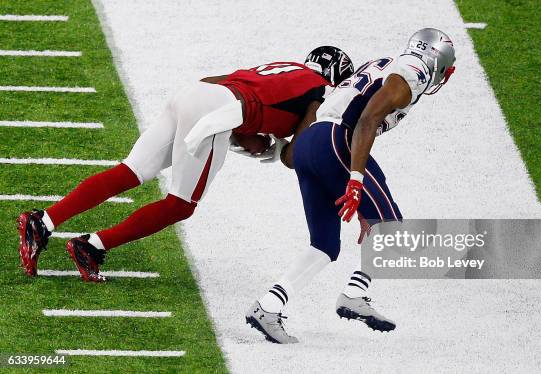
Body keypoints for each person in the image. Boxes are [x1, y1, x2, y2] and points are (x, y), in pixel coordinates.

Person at [16, 46, 354, 282]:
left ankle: (43, 221)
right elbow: (300, 154)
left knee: (130, 171)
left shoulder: (284, 69)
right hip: (215, 110)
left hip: (194, 94)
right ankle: (92, 246)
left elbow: (226, 88)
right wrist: (276, 148)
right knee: (180, 204)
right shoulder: (321, 91)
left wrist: (245, 133)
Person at [245, 28, 456, 344]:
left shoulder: (385, 63)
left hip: (309, 146)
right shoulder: (414, 72)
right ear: (441, 65)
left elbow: (304, 145)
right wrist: (355, 179)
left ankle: (268, 306)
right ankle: (355, 293)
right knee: (391, 228)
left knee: (324, 245)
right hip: (336, 141)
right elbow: (367, 120)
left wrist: (291, 152)